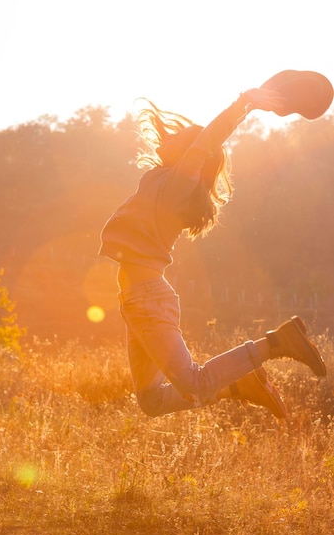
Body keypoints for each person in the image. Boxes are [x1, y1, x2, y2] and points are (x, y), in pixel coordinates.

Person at [99, 89, 327, 420]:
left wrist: (243, 105)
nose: (172, 136)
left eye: (183, 139)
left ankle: (276, 343)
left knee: (194, 383)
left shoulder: (177, 186)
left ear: (191, 155)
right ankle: (237, 384)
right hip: (136, 299)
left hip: (146, 296)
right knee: (151, 400)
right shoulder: (162, 182)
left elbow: (206, 143)